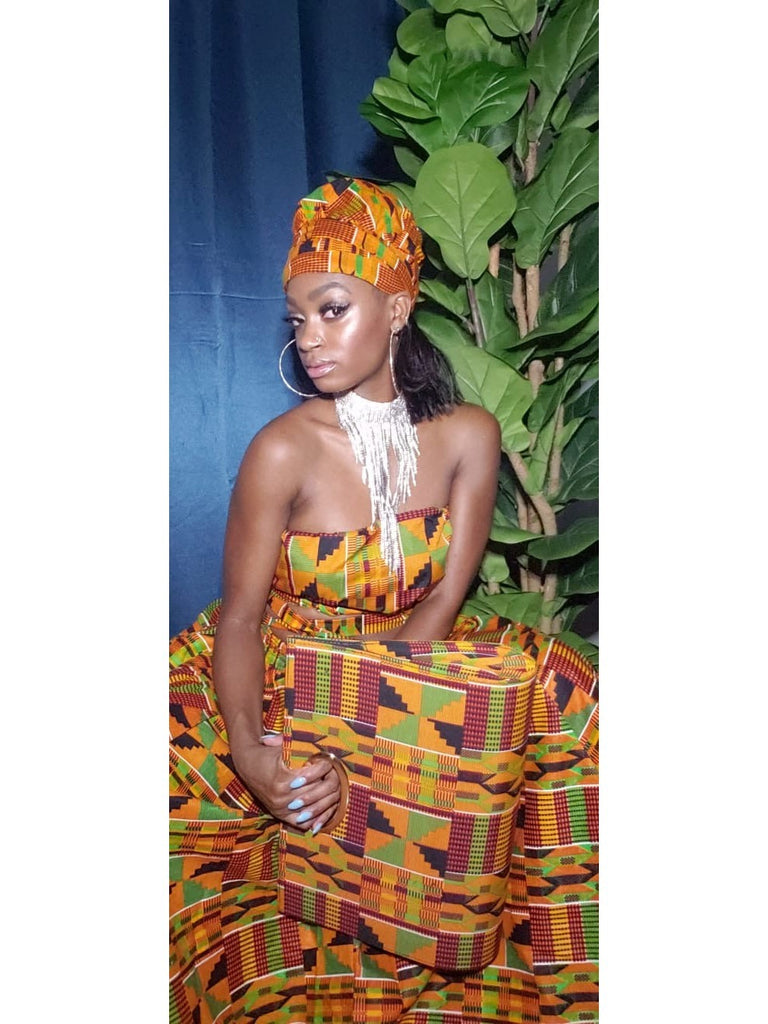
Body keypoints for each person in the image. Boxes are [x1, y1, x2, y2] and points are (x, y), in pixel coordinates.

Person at [170, 178, 598, 1024]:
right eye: (299, 318)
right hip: (282, 681)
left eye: (332, 310)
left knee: (564, 696)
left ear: (398, 308)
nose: (310, 337)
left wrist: (376, 725)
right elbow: (242, 619)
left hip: (414, 664)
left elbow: (446, 594)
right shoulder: (280, 451)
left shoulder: (470, 435)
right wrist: (255, 756)